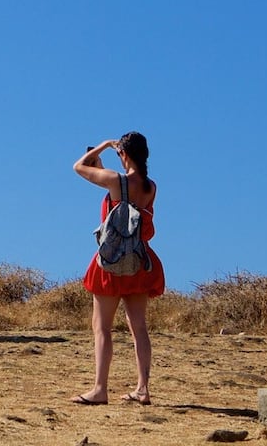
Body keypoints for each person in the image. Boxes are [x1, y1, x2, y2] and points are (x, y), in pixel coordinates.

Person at [68, 132, 166, 406]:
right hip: (138, 262)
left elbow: (78, 166)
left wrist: (101, 146)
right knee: (139, 328)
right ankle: (143, 388)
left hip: (111, 264)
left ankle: (100, 389)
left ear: (123, 153)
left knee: (102, 328)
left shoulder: (114, 180)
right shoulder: (151, 187)